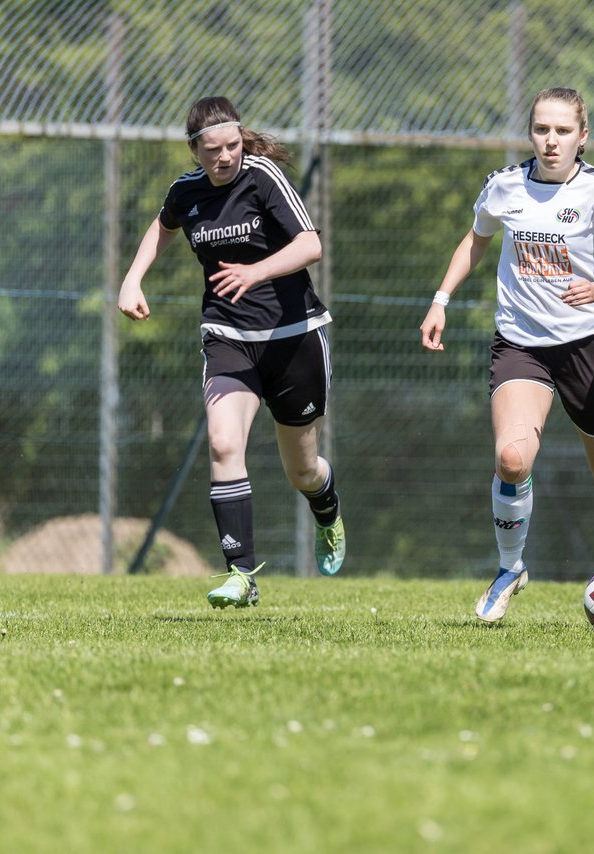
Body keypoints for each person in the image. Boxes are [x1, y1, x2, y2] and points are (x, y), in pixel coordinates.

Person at [418, 87, 594, 628]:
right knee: (512, 459)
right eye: (542, 129)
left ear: (582, 136)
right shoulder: (505, 186)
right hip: (521, 344)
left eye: (563, 131)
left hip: (590, 349)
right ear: (531, 132)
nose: (551, 140)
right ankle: (510, 568)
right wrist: (441, 300)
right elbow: (476, 240)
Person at [118, 95, 346, 609]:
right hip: (227, 337)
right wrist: (132, 279)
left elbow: (310, 244)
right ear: (195, 150)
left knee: (301, 470)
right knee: (224, 445)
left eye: (233, 146)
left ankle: (327, 508)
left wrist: (256, 271)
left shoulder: (262, 176)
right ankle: (241, 573)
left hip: (293, 338)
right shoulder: (187, 191)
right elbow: (163, 224)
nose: (226, 157)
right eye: (213, 150)